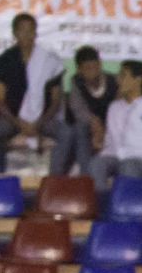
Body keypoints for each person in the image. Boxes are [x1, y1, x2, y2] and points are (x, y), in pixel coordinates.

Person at [0, 12, 63, 174]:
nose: (27, 35)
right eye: (22, 30)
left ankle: (55, 182)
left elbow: (55, 101)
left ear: (36, 33)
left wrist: (38, 123)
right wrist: (19, 123)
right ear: (14, 34)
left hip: (43, 120)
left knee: (67, 133)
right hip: (13, 119)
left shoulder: (50, 59)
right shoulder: (4, 61)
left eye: (31, 30)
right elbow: (0, 100)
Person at [88, 61, 142, 190]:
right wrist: (100, 144)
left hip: (141, 161)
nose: (118, 79)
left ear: (138, 80)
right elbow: (109, 141)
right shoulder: (114, 107)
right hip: (114, 157)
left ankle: (125, 207)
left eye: (123, 75)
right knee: (96, 164)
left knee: (128, 166)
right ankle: (101, 205)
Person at [50, 46, 119, 177]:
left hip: (110, 125)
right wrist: (94, 122)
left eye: (95, 67)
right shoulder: (76, 81)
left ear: (100, 64)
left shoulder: (113, 81)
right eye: (87, 69)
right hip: (86, 125)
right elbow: (78, 109)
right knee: (80, 128)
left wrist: (103, 127)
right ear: (79, 69)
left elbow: (117, 109)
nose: (92, 73)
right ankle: (86, 175)